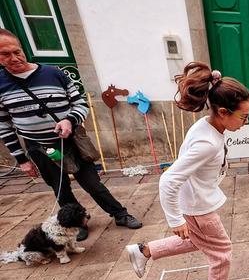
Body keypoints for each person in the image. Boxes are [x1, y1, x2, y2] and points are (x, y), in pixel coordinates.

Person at [125, 62, 249, 280]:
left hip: (195, 201)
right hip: (198, 207)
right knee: (221, 251)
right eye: (244, 116)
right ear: (224, 112)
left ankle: (144, 251)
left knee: (198, 240)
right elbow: (169, 180)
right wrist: (175, 220)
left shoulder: (207, 124)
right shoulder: (208, 142)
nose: (247, 121)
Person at [0, 29, 142, 241]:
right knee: (60, 188)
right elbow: (4, 125)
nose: (14, 58)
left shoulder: (54, 73)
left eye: (16, 51)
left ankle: (120, 214)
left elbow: (80, 103)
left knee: (92, 183)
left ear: (22, 48)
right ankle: (79, 222)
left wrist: (69, 120)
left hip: (71, 140)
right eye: (5, 54)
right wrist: (21, 159)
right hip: (38, 146)